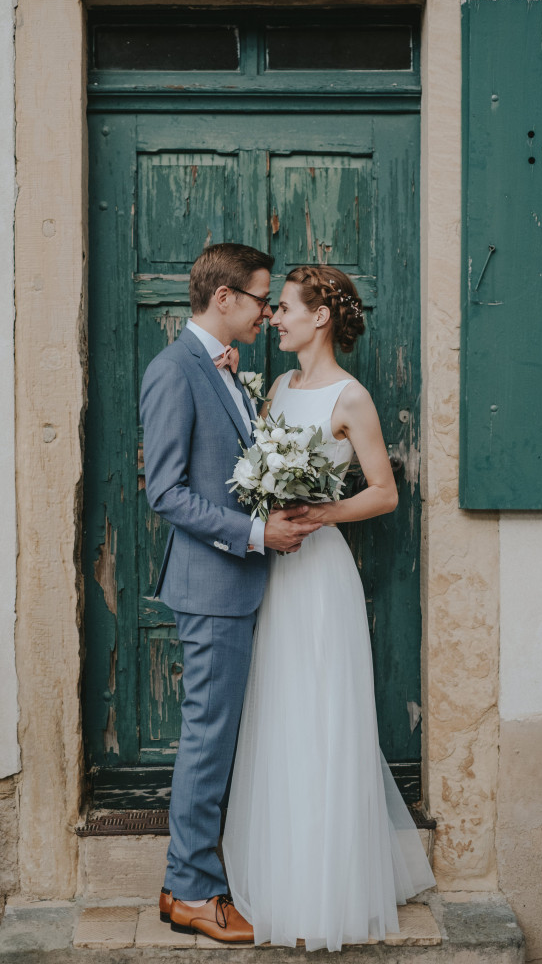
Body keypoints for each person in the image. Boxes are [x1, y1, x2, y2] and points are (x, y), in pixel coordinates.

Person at [222, 265, 436, 952]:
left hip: (319, 573)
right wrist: (234, 387)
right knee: (281, 710)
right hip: (276, 571)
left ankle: (325, 887)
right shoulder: (278, 388)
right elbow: (254, 460)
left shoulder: (352, 397)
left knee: (322, 714)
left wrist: (321, 513)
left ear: (319, 317)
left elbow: (384, 493)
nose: (274, 318)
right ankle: (280, 875)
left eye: (284, 308)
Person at [140, 243, 322, 943]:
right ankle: (192, 891)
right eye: (260, 299)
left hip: (234, 586)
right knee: (207, 741)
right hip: (212, 585)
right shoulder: (174, 369)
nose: (267, 313)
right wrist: (255, 533)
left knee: (214, 738)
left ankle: (181, 883)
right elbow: (166, 493)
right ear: (224, 298)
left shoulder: (223, 369)